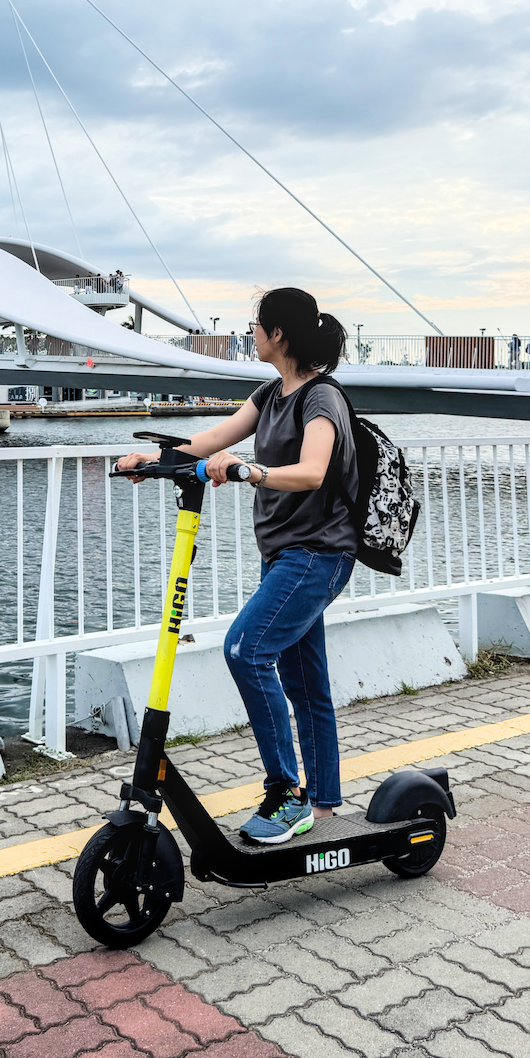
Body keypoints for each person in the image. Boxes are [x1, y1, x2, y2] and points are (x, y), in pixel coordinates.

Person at [118, 286, 355, 844]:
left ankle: (286, 794)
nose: (252, 332)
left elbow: (314, 471)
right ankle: (322, 807)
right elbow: (212, 439)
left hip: (317, 555)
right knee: (304, 681)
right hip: (289, 557)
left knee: (246, 649)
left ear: (279, 335)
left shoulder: (322, 399)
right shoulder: (270, 394)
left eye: (257, 325)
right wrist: (151, 460)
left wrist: (251, 472)